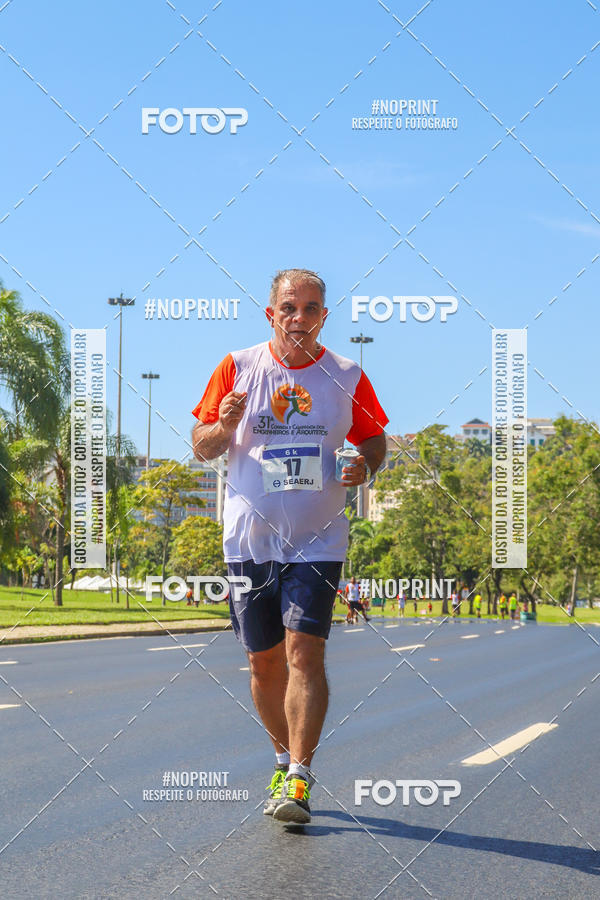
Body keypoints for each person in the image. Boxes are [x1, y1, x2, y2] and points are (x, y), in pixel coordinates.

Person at [191, 268, 388, 824]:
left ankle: (299, 777)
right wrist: (223, 425)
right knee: (264, 661)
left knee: (305, 652)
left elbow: (374, 443)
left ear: (324, 315)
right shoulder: (238, 367)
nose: (299, 319)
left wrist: (363, 469)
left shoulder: (346, 375)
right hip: (248, 538)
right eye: (288, 308)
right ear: (271, 314)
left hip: (318, 539)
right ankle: (281, 758)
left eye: (311, 309)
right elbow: (204, 446)